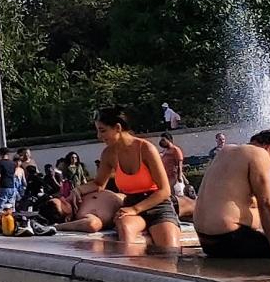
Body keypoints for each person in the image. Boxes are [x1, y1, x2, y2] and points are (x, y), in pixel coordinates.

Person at [60, 107, 184, 254]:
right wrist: (78, 190)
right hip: (131, 204)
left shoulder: (146, 149)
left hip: (157, 205)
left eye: (103, 130)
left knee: (170, 252)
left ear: (117, 128)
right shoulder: (108, 154)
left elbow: (164, 191)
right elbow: (99, 183)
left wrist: (135, 209)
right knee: (126, 237)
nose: (99, 136)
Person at [192, 132, 270, 262]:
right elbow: (265, 203)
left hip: (206, 240)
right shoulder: (259, 154)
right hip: (229, 238)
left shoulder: (226, 151)